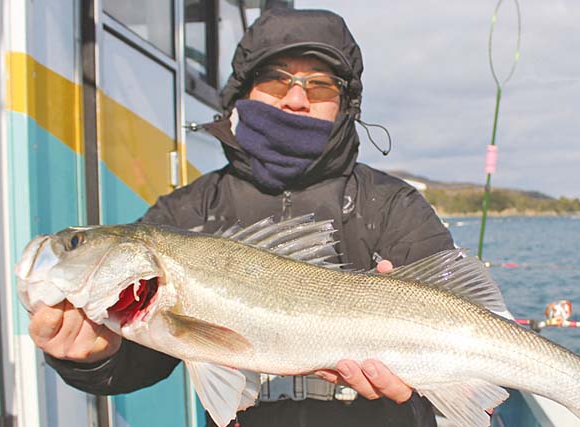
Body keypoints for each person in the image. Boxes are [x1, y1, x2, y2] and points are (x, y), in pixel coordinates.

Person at [28, 8, 455, 427]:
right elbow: (140, 363)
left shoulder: (393, 204)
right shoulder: (185, 212)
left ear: (346, 104)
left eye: (320, 85)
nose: (296, 98)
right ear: (243, 92)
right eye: (276, 79)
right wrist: (97, 356)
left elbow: (462, 322)